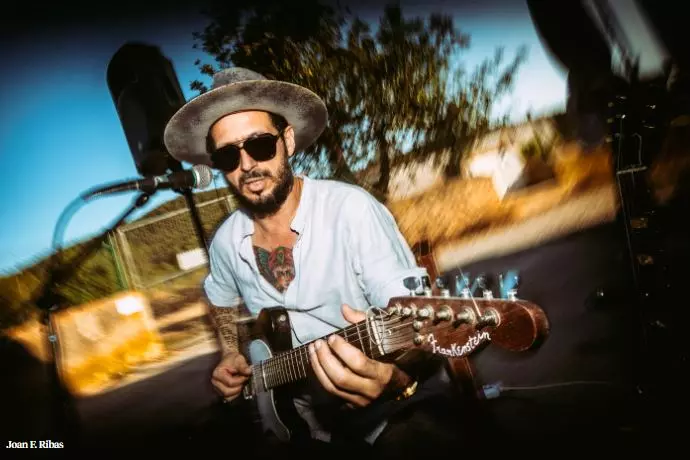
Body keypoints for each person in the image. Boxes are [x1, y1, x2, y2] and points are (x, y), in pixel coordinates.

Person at [163, 68, 474, 455]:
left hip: (384, 409)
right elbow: (218, 297)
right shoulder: (225, 241)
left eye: (260, 145)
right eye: (228, 155)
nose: (247, 165)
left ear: (287, 141)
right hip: (293, 419)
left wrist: (396, 379)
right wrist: (230, 352)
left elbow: (417, 326)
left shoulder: (351, 210)